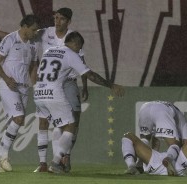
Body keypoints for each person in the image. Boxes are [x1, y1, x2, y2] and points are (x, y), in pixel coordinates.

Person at [0, 8, 88, 173]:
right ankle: (39, 162)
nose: (57, 21)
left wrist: (84, 86)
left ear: (68, 21)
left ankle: (63, 157)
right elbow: (19, 36)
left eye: (61, 19)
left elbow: (80, 61)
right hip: (36, 84)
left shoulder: (73, 38)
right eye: (55, 18)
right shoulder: (43, 33)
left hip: (64, 82)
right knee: (30, 120)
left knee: (68, 122)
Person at [34, 31, 125, 173]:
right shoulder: (71, 54)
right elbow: (90, 75)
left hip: (38, 93)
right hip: (53, 93)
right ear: (75, 43)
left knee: (59, 125)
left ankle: (56, 160)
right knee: (71, 125)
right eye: (79, 47)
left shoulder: (49, 50)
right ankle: (56, 161)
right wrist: (111, 85)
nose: (79, 51)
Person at [0, 14, 40, 172]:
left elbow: (33, 66)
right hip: (9, 85)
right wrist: (6, 79)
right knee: (18, 118)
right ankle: (4, 156)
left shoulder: (33, 45)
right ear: (25, 26)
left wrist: (35, 87)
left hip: (24, 87)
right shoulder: (10, 39)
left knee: (14, 123)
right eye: (33, 29)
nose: (35, 32)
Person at [122, 119, 187, 176]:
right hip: (178, 163)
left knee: (128, 136)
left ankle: (131, 166)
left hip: (156, 163)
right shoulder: (185, 146)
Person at [136, 101, 187, 175]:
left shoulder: (177, 116)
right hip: (162, 110)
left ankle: (139, 163)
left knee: (144, 139)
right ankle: (169, 159)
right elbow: (186, 143)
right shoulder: (183, 125)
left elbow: (156, 140)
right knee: (175, 144)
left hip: (145, 108)